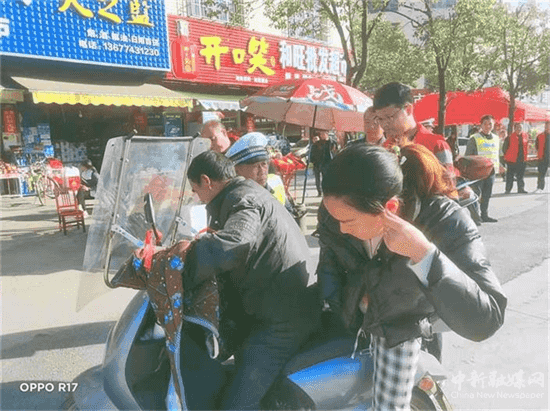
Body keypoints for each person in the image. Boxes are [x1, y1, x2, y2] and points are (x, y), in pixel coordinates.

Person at [316, 144, 507, 411]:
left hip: (401, 327)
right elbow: (329, 264)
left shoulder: (444, 220)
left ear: (390, 208)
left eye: (348, 221)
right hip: (349, 317)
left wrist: (423, 253)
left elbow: (486, 318)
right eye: (333, 216)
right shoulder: (337, 209)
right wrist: (340, 304)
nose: (339, 227)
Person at [184, 150, 317, 410]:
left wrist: (185, 261)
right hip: (270, 304)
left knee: (237, 404)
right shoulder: (241, 193)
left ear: (206, 181)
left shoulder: (243, 198)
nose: (195, 195)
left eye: (195, 188)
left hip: (282, 318)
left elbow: (235, 243)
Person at [225, 131, 305, 223]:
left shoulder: (273, 183)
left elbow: (289, 213)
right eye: (255, 166)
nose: (262, 171)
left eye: (264, 164)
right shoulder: (236, 199)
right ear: (237, 170)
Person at [372, 82, 454, 170]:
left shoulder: (437, 145)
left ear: (408, 109)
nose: (385, 124)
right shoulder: (385, 148)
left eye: (389, 117)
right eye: (380, 119)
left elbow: (448, 178)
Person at [465, 114, 500, 223]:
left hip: (491, 171)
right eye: (485, 124)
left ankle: (484, 215)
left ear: (493, 125)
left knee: (487, 195)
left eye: (490, 124)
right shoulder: (474, 138)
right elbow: (468, 156)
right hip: (478, 171)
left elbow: (496, 154)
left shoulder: (496, 138)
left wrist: (501, 166)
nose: (488, 126)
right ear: (481, 125)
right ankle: (475, 217)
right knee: (475, 194)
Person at [503, 122, 529, 194]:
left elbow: (526, 146)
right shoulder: (509, 137)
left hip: (522, 159)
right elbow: (504, 148)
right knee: (510, 176)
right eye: (517, 127)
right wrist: (507, 156)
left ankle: (521, 189)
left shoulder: (525, 136)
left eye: (520, 127)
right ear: (514, 128)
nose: (519, 129)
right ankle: (508, 189)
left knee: (521, 176)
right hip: (511, 160)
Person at [310, 129, 334, 196]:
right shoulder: (315, 145)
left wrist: (327, 138)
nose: (322, 136)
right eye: (321, 134)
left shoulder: (327, 143)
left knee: (325, 179)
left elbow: (331, 144)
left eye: (323, 134)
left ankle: (325, 191)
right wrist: (312, 161)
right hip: (316, 164)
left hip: (324, 163)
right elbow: (312, 154)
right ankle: (319, 191)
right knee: (317, 179)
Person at [534, 121, 550, 193]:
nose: (547, 127)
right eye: (546, 126)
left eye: (549, 126)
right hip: (543, 157)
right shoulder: (540, 136)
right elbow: (536, 146)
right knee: (541, 173)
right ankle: (540, 187)